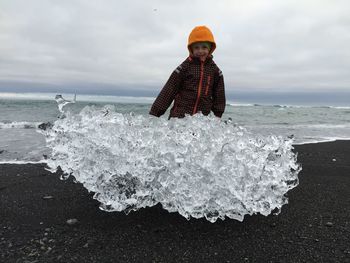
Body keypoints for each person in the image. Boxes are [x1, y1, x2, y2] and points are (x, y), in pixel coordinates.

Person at [149, 25, 226, 119]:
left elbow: (219, 95)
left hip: (202, 121)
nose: (200, 51)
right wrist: (154, 114)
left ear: (210, 49)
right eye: (196, 47)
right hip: (179, 118)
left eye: (204, 47)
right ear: (191, 49)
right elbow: (169, 90)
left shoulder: (215, 71)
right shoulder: (184, 68)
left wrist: (217, 116)